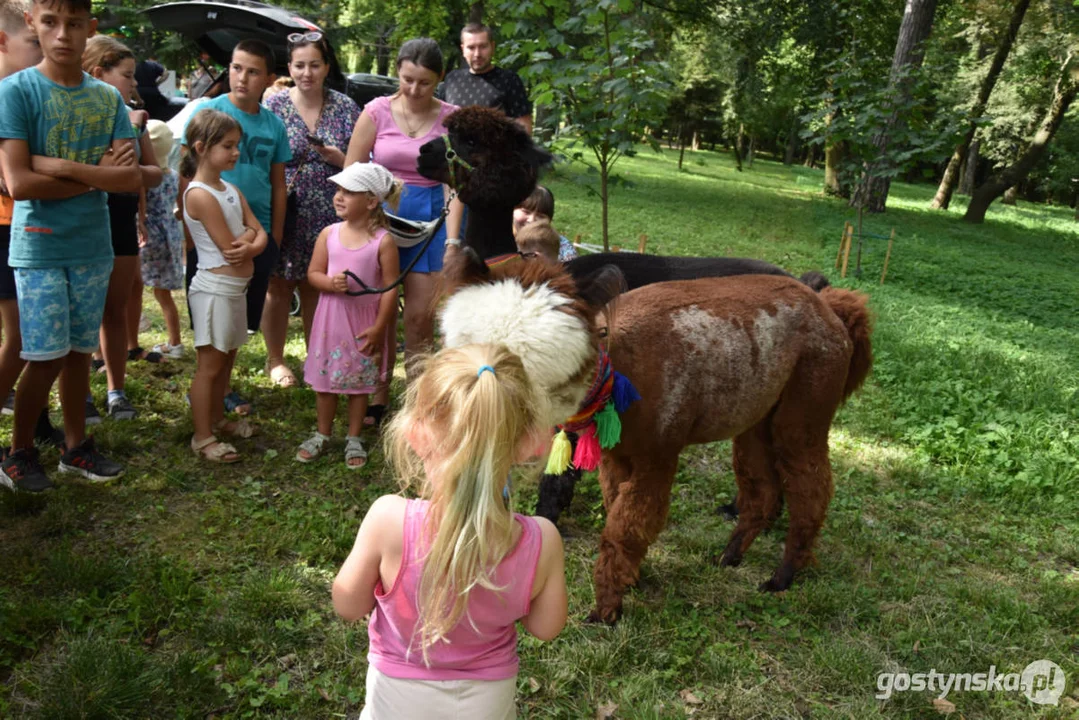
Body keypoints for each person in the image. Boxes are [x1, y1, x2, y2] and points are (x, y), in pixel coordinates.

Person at [332, 343, 567, 718]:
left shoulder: (388, 520)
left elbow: (347, 605)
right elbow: (546, 626)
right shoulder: (542, 539)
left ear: (416, 433)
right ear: (528, 443)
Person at [0, 0, 140, 491]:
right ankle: (17, 453)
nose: (62, 34)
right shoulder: (15, 92)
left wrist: (64, 169)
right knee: (44, 355)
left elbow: (129, 178)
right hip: (39, 246)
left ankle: (75, 448)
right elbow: (19, 183)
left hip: (92, 244)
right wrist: (95, 176)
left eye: (74, 24)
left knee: (81, 350)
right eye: (51, 23)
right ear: (33, 25)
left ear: (90, 29)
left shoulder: (107, 99)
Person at [345, 37, 464, 429]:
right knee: (378, 313)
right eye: (407, 79)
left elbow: (455, 184)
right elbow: (353, 172)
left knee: (418, 318)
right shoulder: (376, 112)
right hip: (383, 217)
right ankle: (376, 398)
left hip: (431, 220)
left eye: (424, 83)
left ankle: (418, 404)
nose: (414, 90)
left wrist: (451, 240)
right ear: (397, 71)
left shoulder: (452, 119)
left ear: (439, 79)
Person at [180, 38, 291, 416]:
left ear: (269, 79)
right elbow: (185, 172)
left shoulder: (274, 124)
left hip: (256, 232)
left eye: (253, 71)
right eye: (236, 67)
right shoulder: (208, 111)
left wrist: (272, 237)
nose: (242, 77)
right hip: (211, 240)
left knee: (240, 320)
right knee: (210, 321)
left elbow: (278, 183)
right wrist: (187, 238)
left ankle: (222, 388)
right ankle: (209, 390)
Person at [263, 31, 360, 388]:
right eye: (300, 65)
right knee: (278, 284)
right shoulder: (272, 107)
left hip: (332, 210)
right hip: (285, 207)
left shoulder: (346, 107)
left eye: (314, 65)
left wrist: (341, 159)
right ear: (289, 66)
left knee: (316, 286)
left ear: (326, 67)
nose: (307, 73)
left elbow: (364, 161)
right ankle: (275, 359)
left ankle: (315, 357)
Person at [82, 35, 165, 423]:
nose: (134, 84)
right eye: (127, 75)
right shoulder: (77, 113)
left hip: (121, 218)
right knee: (83, 312)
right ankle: (80, 392)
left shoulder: (134, 118)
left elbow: (152, 174)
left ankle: (116, 391)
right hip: (83, 217)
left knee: (114, 309)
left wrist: (131, 176)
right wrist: (108, 168)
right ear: (100, 73)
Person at [298, 163, 400, 469]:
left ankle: (354, 436)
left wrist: (380, 327)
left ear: (370, 202)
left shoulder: (383, 240)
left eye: (348, 192)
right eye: (338, 190)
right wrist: (330, 283)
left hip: (363, 323)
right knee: (325, 381)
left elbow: (390, 288)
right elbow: (313, 273)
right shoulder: (328, 234)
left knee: (360, 383)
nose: (339, 197)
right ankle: (322, 433)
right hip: (331, 321)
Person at [182, 108, 267, 462]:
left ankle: (217, 418)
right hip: (214, 292)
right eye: (228, 146)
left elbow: (260, 233)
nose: (235, 153)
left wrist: (251, 238)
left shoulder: (230, 188)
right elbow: (232, 247)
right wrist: (251, 238)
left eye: (237, 146)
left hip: (234, 291)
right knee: (210, 365)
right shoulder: (199, 194)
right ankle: (202, 437)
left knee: (227, 358)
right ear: (201, 147)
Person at [0, 0, 66, 453]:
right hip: (6, 228)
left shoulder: (35, 92)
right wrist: (81, 171)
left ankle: (38, 419)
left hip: (34, 226)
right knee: (23, 336)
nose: (44, 46)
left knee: (39, 336)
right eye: (31, 40)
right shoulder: (10, 95)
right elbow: (14, 181)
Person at [141, 120, 185, 358]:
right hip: (170, 234)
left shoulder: (146, 177)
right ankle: (175, 342)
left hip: (148, 234)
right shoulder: (174, 176)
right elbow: (180, 207)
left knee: (133, 287)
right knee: (162, 293)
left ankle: (134, 328)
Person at [443, 23, 532, 134]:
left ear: (492, 47)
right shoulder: (452, 79)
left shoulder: (509, 80)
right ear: (463, 49)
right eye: (471, 47)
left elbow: (524, 130)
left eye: (483, 47)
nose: (477, 54)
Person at [513, 185, 577, 262]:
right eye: (526, 212)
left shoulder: (562, 247)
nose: (532, 220)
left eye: (540, 216)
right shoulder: (498, 240)